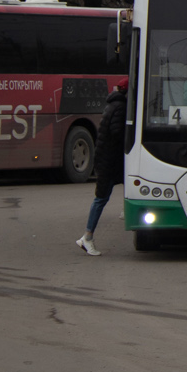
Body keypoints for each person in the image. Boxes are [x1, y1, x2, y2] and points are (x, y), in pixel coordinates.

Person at [75, 77, 128, 256]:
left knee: (128, 183)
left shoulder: (112, 104)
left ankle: (126, 211)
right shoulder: (121, 107)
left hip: (108, 159)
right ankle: (87, 237)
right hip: (109, 161)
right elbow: (117, 132)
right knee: (101, 199)